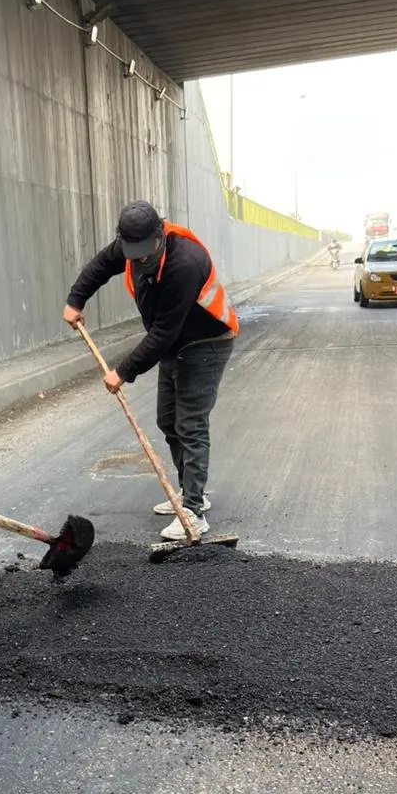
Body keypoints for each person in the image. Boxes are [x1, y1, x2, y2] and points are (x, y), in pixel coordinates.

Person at [63, 201, 238, 540]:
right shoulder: (132, 243)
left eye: (145, 250)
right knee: (167, 421)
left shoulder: (184, 263)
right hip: (177, 344)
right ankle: (189, 492)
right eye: (133, 251)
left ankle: (194, 510)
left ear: (159, 234)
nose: (140, 258)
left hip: (207, 342)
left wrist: (123, 372)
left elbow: (163, 333)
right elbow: (101, 266)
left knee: (190, 424)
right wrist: (75, 300)